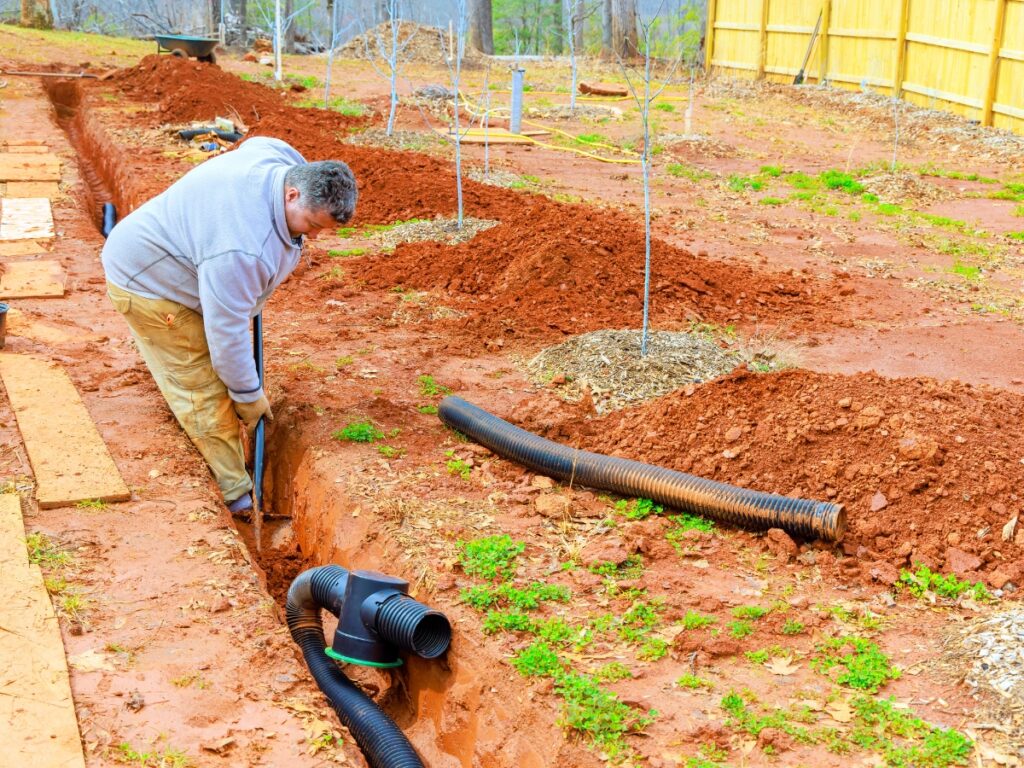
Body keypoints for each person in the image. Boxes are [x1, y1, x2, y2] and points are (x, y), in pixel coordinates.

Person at [102, 136, 357, 517]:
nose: (315, 236)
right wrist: (247, 394)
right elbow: (227, 331)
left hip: (187, 264)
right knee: (203, 388)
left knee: (225, 371)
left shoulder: (281, 160)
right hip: (149, 285)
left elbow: (258, 141)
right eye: (312, 224)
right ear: (291, 194)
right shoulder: (240, 249)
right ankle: (237, 496)